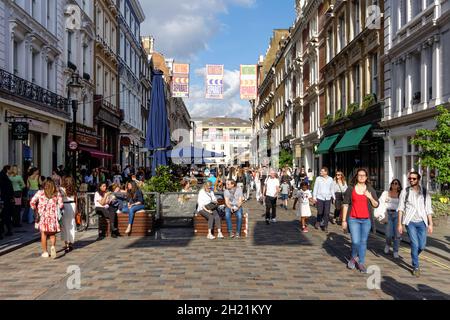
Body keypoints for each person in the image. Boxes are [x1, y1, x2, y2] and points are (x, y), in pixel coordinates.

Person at [341, 168, 379, 274]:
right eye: (359, 175)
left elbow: (376, 204)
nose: (361, 177)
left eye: (363, 175)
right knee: (355, 241)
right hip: (353, 219)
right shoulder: (351, 188)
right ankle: (353, 257)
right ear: (356, 177)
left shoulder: (370, 189)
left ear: (366, 177)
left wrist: (370, 197)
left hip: (366, 220)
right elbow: (345, 204)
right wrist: (344, 220)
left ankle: (361, 263)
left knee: (363, 242)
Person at [397, 171, 433, 277]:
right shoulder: (405, 191)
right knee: (415, 244)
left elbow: (428, 209)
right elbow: (400, 208)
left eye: (414, 179)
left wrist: (430, 224)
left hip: (422, 222)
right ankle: (416, 266)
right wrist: (399, 224)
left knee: (422, 246)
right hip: (410, 222)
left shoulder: (425, 192)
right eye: (410, 179)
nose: (411, 180)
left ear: (418, 179)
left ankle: (414, 255)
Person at [30, 179, 63, 259]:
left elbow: (32, 202)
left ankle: (45, 252)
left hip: (43, 217)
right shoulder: (57, 193)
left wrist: (35, 209)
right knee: (52, 234)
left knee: (43, 234)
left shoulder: (40, 193)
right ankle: (52, 247)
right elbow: (61, 205)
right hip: (53, 216)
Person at [377, 179, 402, 258]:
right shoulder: (386, 193)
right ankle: (388, 244)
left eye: (396, 183)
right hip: (388, 214)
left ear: (399, 185)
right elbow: (380, 202)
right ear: (391, 184)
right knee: (388, 234)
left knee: (397, 234)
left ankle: (395, 250)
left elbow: (404, 206)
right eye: (393, 183)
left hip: (397, 214)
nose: (394, 184)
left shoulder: (401, 194)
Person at [312, 167, 335, 233]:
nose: (320, 172)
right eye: (321, 171)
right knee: (320, 212)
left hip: (328, 198)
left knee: (327, 213)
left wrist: (334, 197)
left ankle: (325, 226)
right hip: (320, 197)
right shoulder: (318, 178)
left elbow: (332, 189)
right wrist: (314, 197)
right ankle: (318, 221)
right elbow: (315, 188)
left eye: (322, 171)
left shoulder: (330, 179)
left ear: (326, 172)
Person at [60, 176, 77, 253]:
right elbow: (76, 200)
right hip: (72, 206)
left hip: (64, 206)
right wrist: (76, 210)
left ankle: (66, 243)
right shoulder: (74, 189)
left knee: (64, 226)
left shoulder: (61, 189)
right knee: (71, 225)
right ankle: (70, 242)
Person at [0, 165, 15, 237]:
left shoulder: (4, 175)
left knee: (4, 215)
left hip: (6, 198)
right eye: (11, 169)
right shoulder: (2, 176)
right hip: (5, 199)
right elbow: (5, 188)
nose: (11, 170)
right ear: (7, 169)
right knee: (6, 214)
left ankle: (4, 229)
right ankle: (8, 230)